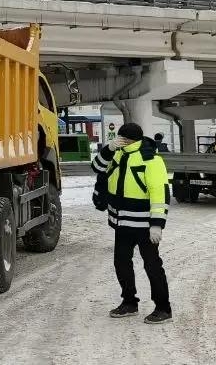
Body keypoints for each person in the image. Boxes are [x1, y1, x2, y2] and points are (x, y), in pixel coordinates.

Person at [91, 122, 172, 324]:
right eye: (119, 139)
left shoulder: (151, 159)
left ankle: (163, 308)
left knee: (152, 266)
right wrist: (109, 149)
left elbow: (159, 192)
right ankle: (129, 302)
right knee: (121, 263)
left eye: (124, 139)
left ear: (132, 140)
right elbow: (97, 167)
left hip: (144, 225)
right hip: (122, 222)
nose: (121, 142)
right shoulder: (117, 154)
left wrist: (157, 224)